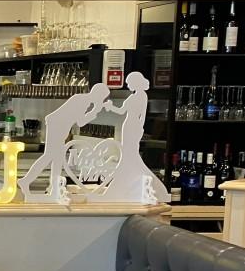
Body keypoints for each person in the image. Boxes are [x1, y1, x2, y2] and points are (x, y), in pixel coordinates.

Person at [19, 83, 110, 202]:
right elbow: (81, 122)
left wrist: (94, 111)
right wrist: (95, 111)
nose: (101, 100)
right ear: (98, 95)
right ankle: (26, 181)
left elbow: (79, 121)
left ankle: (53, 187)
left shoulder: (83, 100)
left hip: (59, 127)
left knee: (57, 159)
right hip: (57, 126)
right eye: (102, 97)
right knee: (50, 156)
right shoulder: (81, 100)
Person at [100, 73, 170, 203]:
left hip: (134, 125)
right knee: (127, 154)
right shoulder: (132, 96)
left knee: (131, 154)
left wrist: (140, 128)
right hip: (127, 125)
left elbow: (142, 114)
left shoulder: (142, 95)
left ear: (135, 82)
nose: (128, 85)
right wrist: (109, 107)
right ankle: (126, 183)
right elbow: (121, 111)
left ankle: (144, 183)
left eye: (129, 82)